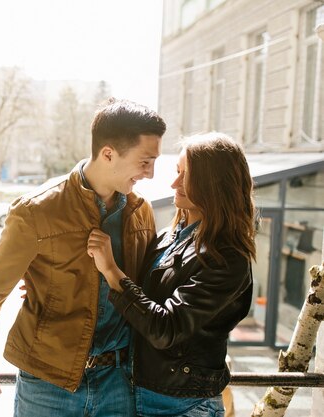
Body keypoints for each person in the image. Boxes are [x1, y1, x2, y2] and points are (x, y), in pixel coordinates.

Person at [0, 98, 166, 417]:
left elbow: (146, 293)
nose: (150, 174)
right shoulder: (36, 211)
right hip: (47, 383)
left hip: (118, 382)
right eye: (144, 161)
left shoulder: (141, 213)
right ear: (109, 153)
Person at [87, 132, 256, 417]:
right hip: (140, 392)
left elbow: (165, 329)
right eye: (177, 172)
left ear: (215, 183)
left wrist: (111, 269)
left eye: (187, 176)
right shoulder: (170, 235)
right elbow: (138, 299)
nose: (174, 183)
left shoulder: (227, 258)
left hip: (185, 403)